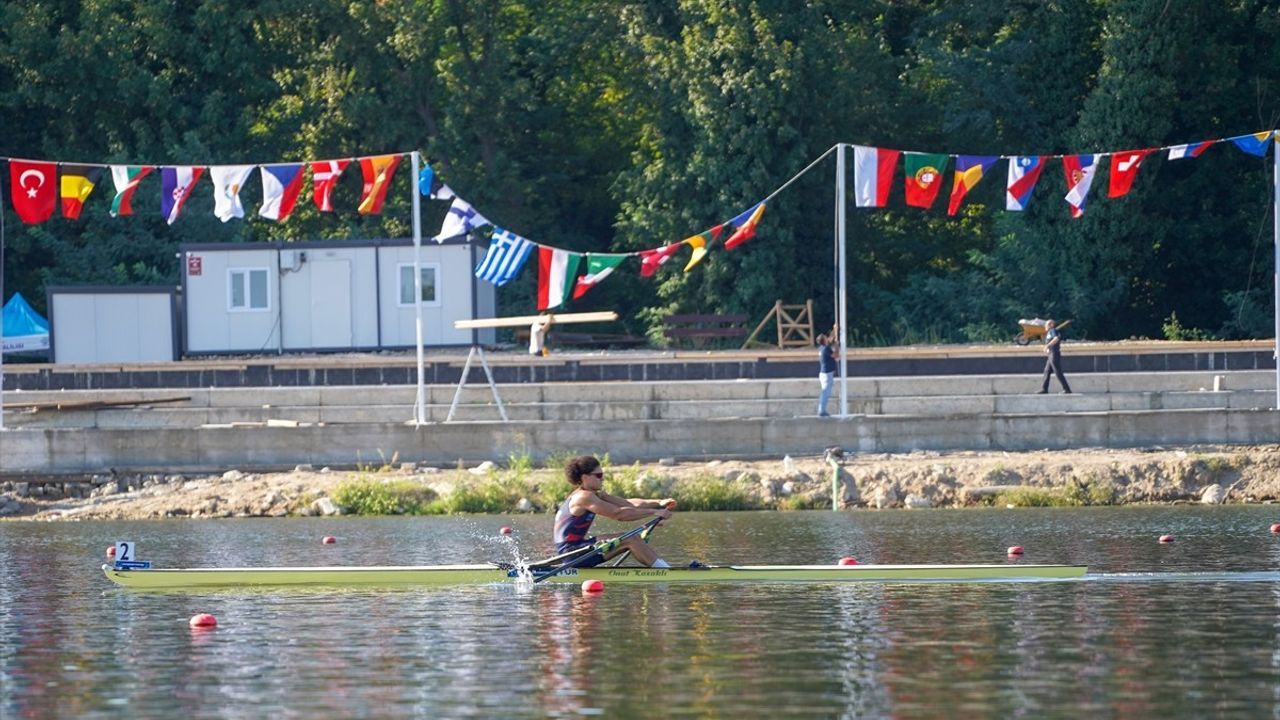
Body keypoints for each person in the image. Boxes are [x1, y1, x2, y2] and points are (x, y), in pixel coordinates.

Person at [553, 455, 675, 568]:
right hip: (571, 553)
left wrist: (659, 502)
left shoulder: (595, 495)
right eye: (599, 475)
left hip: (578, 546)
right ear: (585, 477)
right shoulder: (584, 497)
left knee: (633, 537)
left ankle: (662, 568)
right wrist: (654, 512)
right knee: (631, 538)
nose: (603, 478)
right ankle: (665, 571)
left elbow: (629, 504)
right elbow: (619, 514)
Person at [1037, 319, 1072, 394]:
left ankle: (1067, 389)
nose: (1045, 326)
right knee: (1046, 371)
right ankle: (1044, 389)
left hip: (1054, 354)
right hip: (1051, 354)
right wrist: (1047, 349)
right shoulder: (1049, 332)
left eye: (1047, 325)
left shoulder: (1053, 330)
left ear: (1051, 325)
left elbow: (1056, 339)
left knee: (1058, 372)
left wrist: (1048, 345)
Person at [817, 324, 838, 417]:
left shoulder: (822, 348)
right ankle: (821, 411)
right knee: (825, 393)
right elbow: (836, 355)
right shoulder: (826, 349)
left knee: (825, 392)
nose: (827, 338)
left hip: (823, 374)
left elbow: (830, 339)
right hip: (827, 374)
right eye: (825, 337)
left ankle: (821, 410)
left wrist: (834, 330)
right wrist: (837, 346)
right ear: (824, 340)